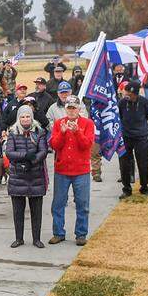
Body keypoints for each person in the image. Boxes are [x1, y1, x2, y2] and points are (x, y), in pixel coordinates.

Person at [48, 98, 96, 245]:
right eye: (69, 108)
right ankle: (58, 233)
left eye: (74, 108)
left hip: (81, 170)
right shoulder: (59, 123)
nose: (71, 111)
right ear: (65, 109)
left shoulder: (87, 123)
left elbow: (87, 145)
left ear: (79, 109)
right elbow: (54, 145)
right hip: (62, 170)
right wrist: (62, 133)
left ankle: (81, 234)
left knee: (83, 204)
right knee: (58, 203)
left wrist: (77, 132)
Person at [5, 105, 48, 248]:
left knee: (36, 211)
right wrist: (25, 156)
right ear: (19, 118)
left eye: (27, 116)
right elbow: (9, 153)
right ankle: (19, 238)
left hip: (35, 175)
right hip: (18, 176)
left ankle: (36, 238)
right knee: (18, 211)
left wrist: (33, 161)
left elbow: (43, 151)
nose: (25, 119)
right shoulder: (13, 132)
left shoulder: (39, 131)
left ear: (31, 117)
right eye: (22, 117)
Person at [119, 81, 148, 198]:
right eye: (127, 92)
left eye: (130, 93)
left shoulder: (144, 102)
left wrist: (140, 128)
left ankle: (144, 187)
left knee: (143, 162)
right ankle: (126, 188)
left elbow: (147, 115)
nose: (128, 95)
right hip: (126, 136)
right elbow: (120, 116)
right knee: (124, 163)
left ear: (136, 94)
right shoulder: (122, 103)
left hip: (141, 136)